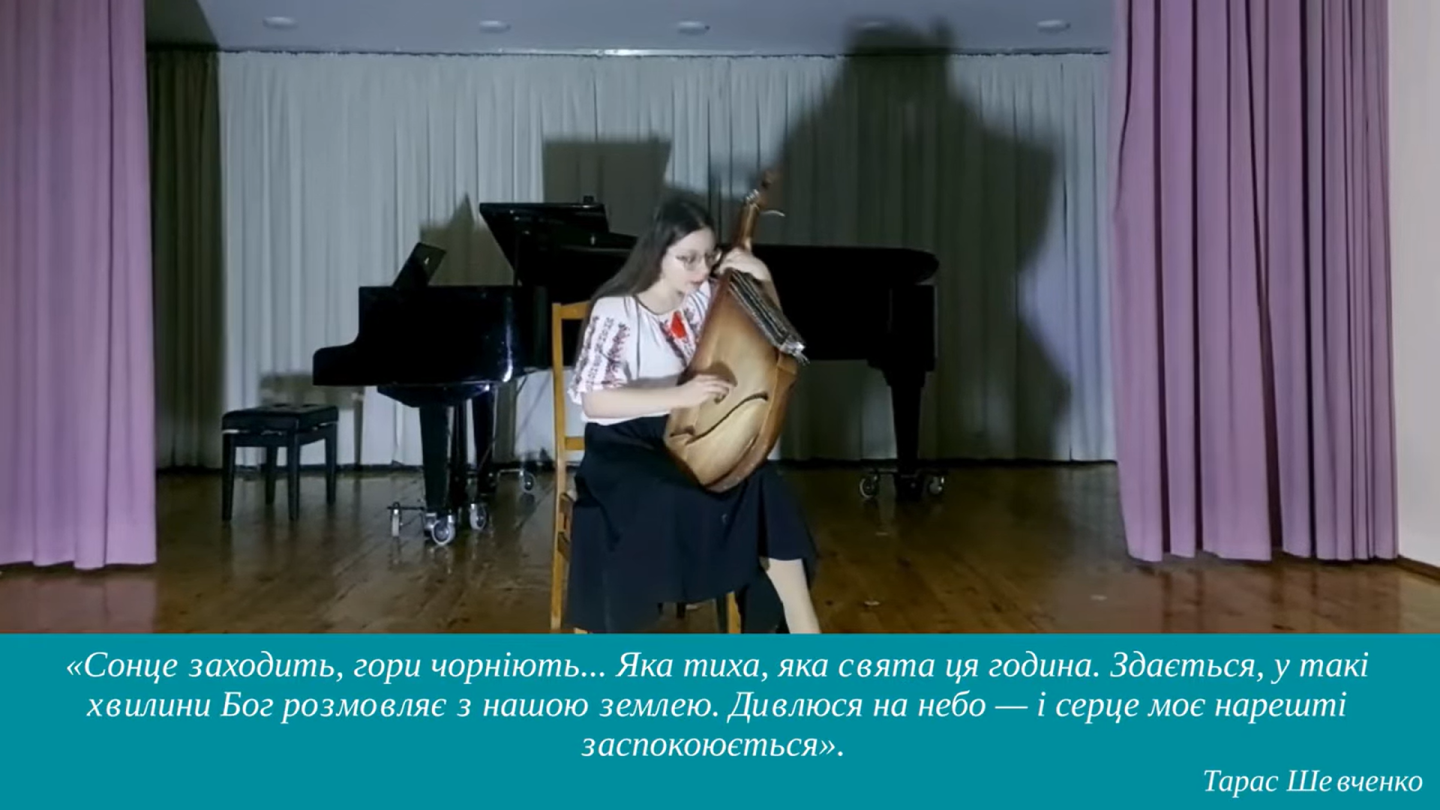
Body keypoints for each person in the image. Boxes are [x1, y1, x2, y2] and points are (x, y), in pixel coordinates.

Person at [563, 196, 821, 634]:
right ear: (657, 252)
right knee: (668, 494)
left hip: (688, 436)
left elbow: (775, 334)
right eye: (688, 259)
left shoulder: (704, 297)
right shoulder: (617, 309)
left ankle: (803, 628)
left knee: (760, 481)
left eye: (709, 257)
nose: (702, 269)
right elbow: (595, 403)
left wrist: (762, 276)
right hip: (623, 449)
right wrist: (680, 395)